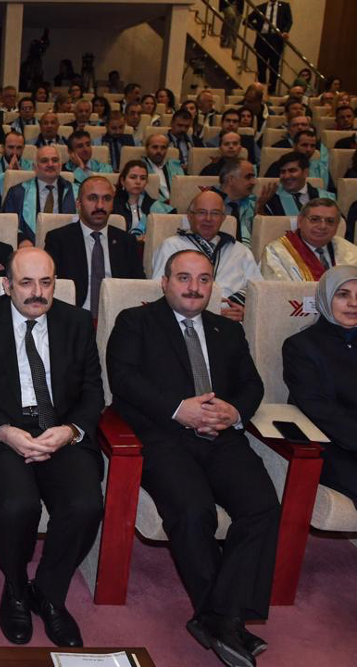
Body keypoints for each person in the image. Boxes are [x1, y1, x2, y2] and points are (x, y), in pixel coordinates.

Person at [108, 248, 280, 666]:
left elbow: (251, 384)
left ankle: (218, 616)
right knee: (192, 510)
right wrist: (177, 408)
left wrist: (234, 411)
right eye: (183, 278)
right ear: (164, 282)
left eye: (203, 280)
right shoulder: (136, 322)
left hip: (221, 438)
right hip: (164, 438)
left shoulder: (227, 330)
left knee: (262, 508)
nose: (194, 288)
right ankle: (226, 617)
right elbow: (124, 378)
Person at [0, 246, 104, 647]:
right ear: (7, 284)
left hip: (59, 431)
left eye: (46, 282)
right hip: (1, 435)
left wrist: (70, 430)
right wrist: (3, 430)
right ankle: (15, 585)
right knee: (19, 504)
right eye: (26, 282)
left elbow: (92, 391)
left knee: (85, 504)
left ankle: (49, 592)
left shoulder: (77, 322)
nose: (37, 292)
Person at [282, 265, 357, 507]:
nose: (353, 303)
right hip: (328, 444)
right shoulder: (301, 346)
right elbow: (316, 407)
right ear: (325, 298)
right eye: (343, 294)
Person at [152, 191, 261, 322]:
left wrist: (246, 311)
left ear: (223, 217)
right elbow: (159, 291)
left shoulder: (241, 251)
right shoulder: (171, 246)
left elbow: (258, 290)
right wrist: (212, 312)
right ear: (189, 216)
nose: (208, 219)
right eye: (201, 212)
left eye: (215, 213)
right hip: (185, 320)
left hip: (233, 324)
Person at [45, 177, 144, 318]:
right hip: (72, 319)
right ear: (78, 204)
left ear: (112, 204)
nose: (100, 206)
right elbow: (51, 287)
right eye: (92, 198)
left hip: (118, 319)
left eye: (107, 199)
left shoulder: (126, 242)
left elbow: (138, 287)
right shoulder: (59, 239)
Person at [261, 198, 357, 281]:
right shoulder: (276, 252)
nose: (322, 226)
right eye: (314, 219)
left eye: (330, 221)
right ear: (300, 221)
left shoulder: (351, 252)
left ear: (337, 226)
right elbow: (279, 293)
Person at [1, 145, 79, 245]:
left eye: (55, 160)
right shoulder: (17, 192)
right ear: (35, 167)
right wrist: (22, 240)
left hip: (67, 248)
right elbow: (8, 224)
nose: (50, 164)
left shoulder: (77, 192)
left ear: (60, 165)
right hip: (29, 249)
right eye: (44, 161)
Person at [209, 158, 276, 246]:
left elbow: (269, 238)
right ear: (231, 179)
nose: (254, 182)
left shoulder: (254, 202)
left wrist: (259, 210)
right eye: (248, 177)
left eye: (253, 177)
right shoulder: (207, 202)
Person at [112, 160, 175, 237]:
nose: (138, 182)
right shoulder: (112, 205)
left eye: (143, 178)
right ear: (122, 181)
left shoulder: (155, 206)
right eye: (133, 177)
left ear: (146, 182)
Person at [260, 152, 334, 217]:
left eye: (292, 171)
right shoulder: (272, 200)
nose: (286, 176)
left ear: (305, 173)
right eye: (283, 172)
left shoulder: (325, 197)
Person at [248, 1, 293, 91]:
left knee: (274, 66)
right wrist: (260, 27)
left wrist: (285, 31)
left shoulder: (284, 6)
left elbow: (289, 21)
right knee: (261, 66)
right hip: (262, 39)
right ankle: (261, 89)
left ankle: (272, 89)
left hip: (276, 39)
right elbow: (246, 21)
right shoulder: (261, 7)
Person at [0, 131, 31, 209]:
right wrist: (5, 175)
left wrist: (23, 177)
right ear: (3, 147)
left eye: (19, 148)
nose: (15, 152)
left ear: (23, 148)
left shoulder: (31, 167)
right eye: (11, 147)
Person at [143, 133, 184, 203]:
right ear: (146, 148)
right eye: (155, 147)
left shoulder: (175, 166)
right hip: (155, 207)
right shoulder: (140, 167)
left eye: (163, 148)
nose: (159, 151)